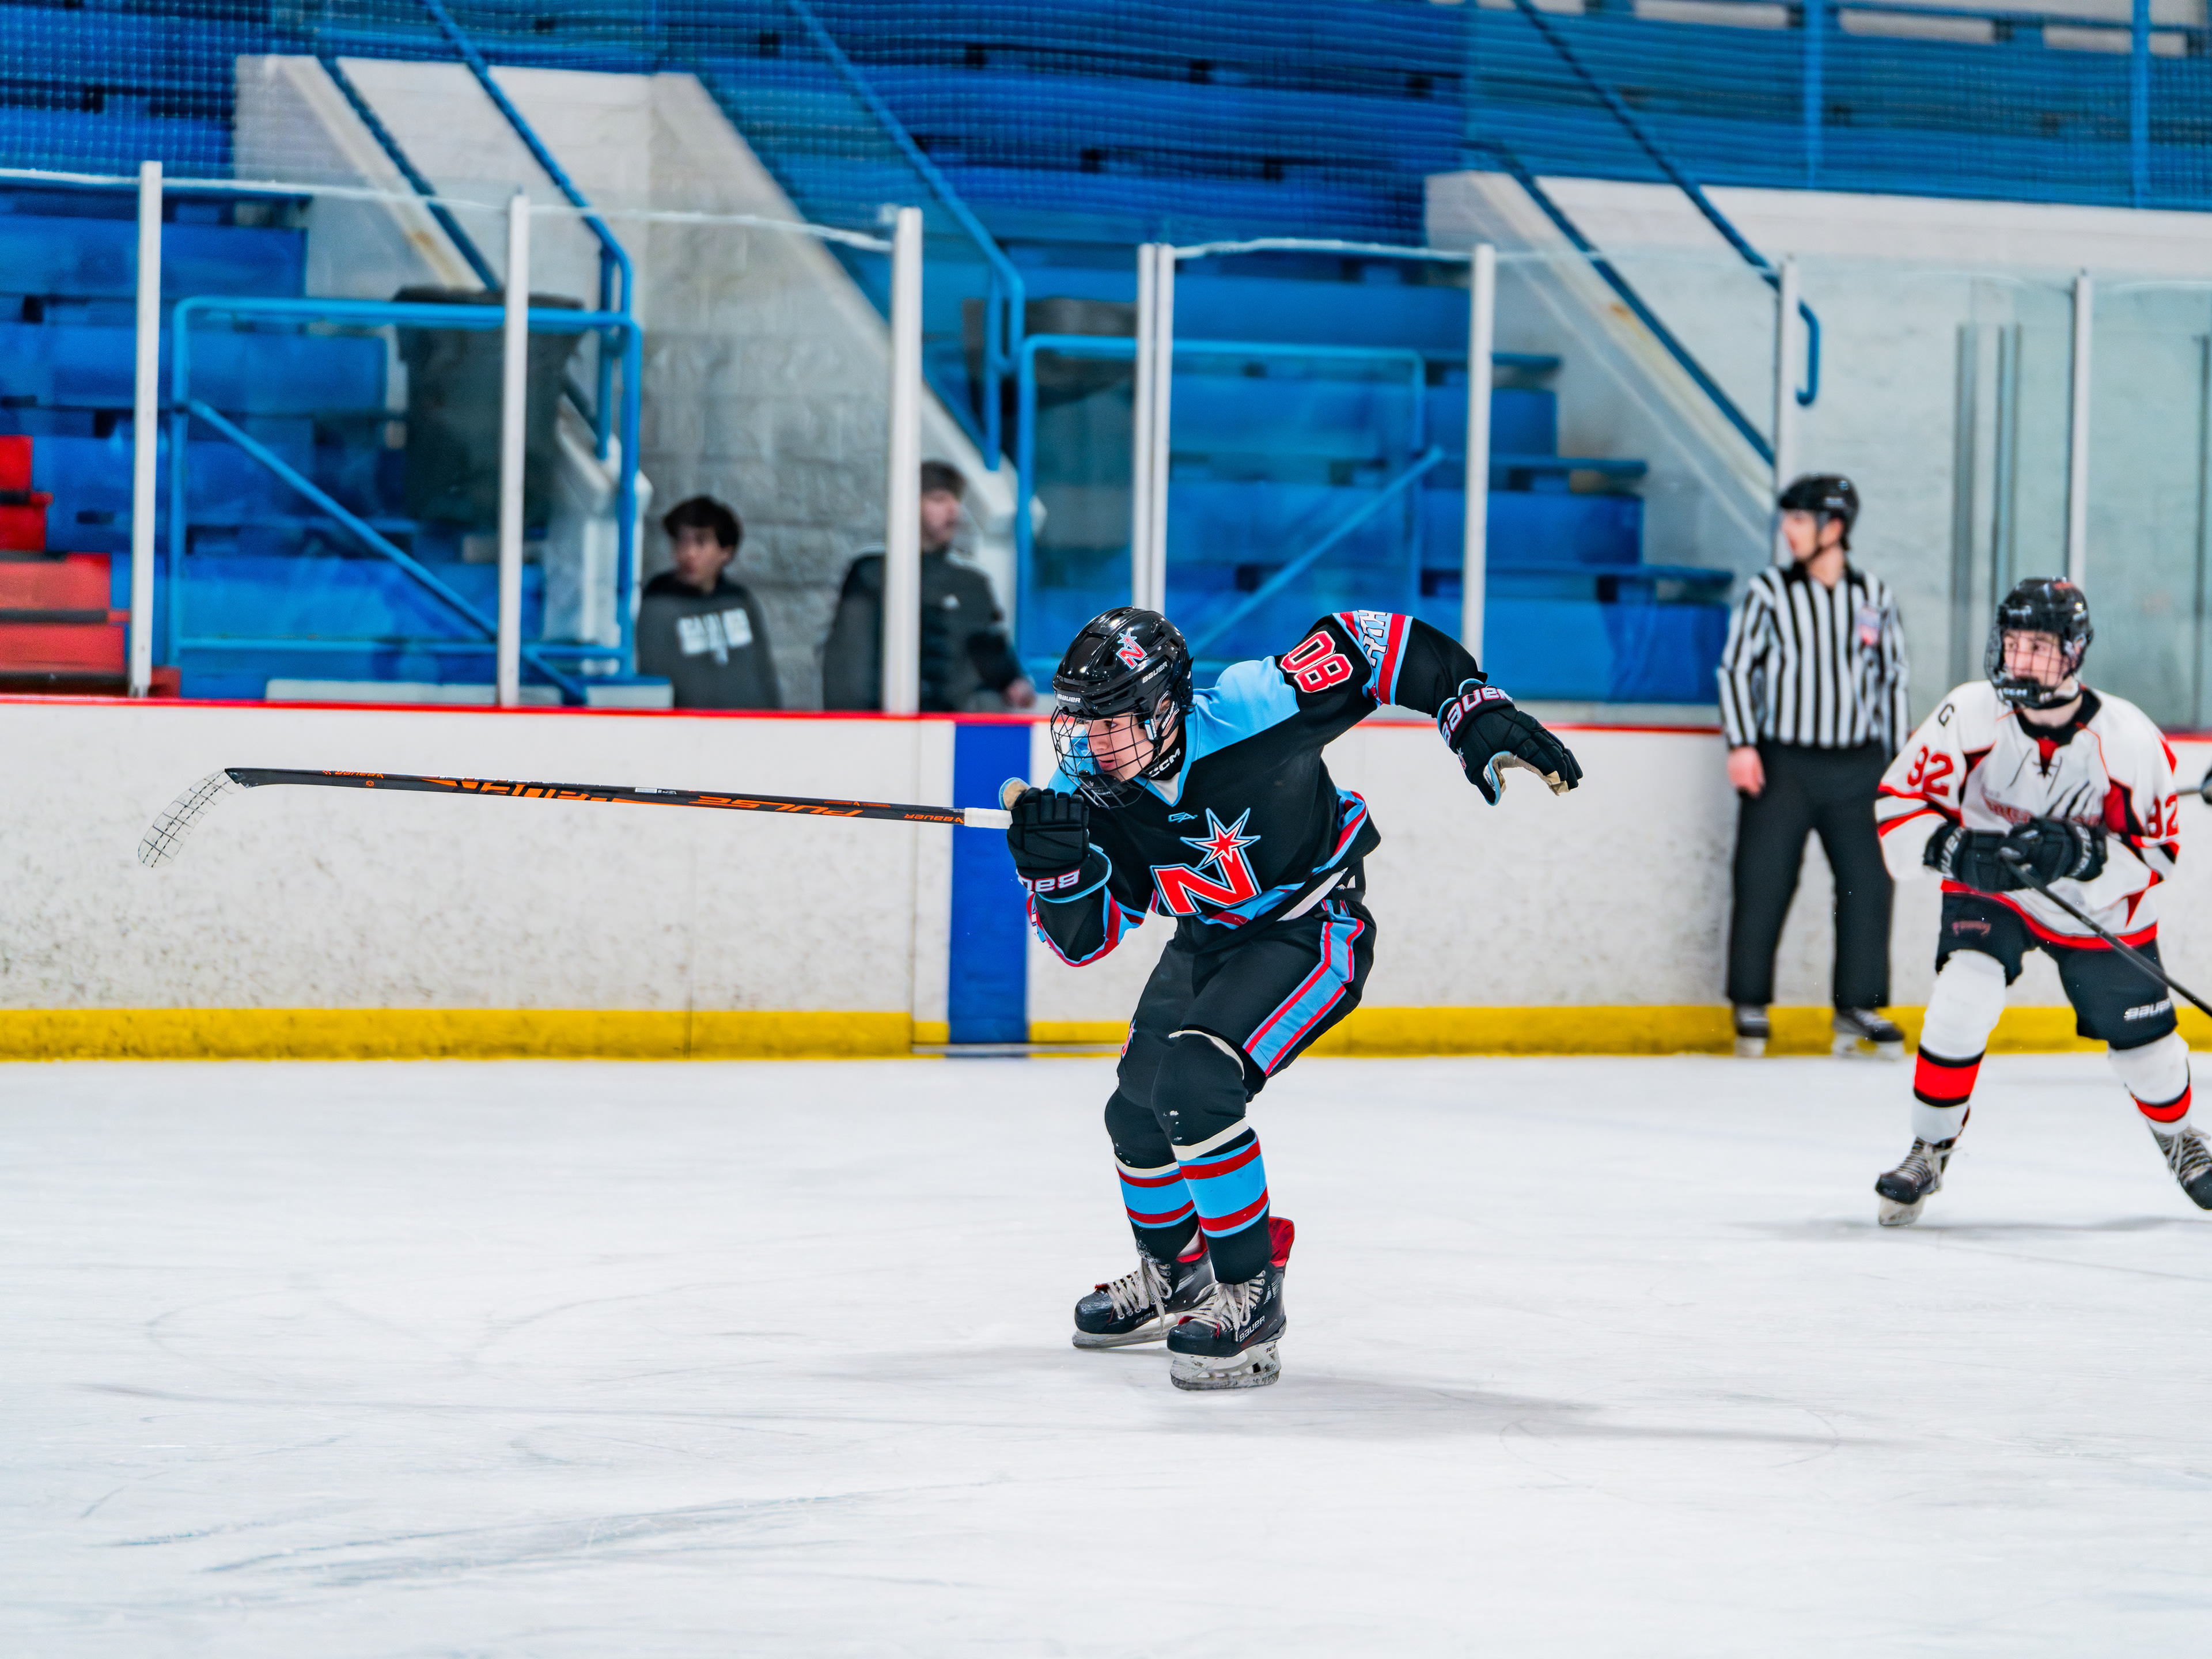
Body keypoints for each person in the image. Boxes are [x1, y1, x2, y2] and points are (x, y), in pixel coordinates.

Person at [1005, 607, 1582, 1389]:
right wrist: (1057, 873)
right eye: (1080, 722)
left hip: (1312, 926)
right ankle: (1178, 1276)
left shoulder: (1255, 707)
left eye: (1113, 722)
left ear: (1167, 707)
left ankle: (1252, 1293)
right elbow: (1085, 942)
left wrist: (1468, 705)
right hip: (1206, 942)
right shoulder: (1082, 792)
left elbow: (1372, 642)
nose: (1093, 744)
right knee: (1134, 1117)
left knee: (1195, 1085)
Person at [1869, 578, 2205, 1224]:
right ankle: (1929, 1148)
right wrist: (1951, 848)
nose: (2019, 659)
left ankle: (2181, 1137)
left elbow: (2159, 853)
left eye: (2039, 647)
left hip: (2097, 911)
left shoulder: (2129, 739)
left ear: (2074, 652)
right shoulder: (1968, 713)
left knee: (2147, 1050)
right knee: (1963, 995)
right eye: (2013, 643)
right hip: (1994, 892)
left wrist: (2087, 854)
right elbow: (1900, 802)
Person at [1716, 474, 1910, 1059]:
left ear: (1835, 527)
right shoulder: (1769, 591)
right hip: (1784, 763)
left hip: (1859, 765)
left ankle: (1858, 1005)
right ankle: (1750, 1002)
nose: (1788, 530)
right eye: (1788, 518)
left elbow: (1893, 681)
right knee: (1763, 878)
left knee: (1867, 883)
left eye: (1800, 519)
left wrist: (1897, 769)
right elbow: (1736, 669)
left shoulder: (1874, 596)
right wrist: (1742, 744)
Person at [820, 461, 1037, 712]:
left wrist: (1013, 683)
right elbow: (849, 668)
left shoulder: (972, 586)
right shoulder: (872, 575)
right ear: (910, 506)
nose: (953, 509)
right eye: (939, 499)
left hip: (950, 725)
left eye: (956, 499)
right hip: (883, 723)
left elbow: (990, 653)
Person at [635, 495, 779, 710]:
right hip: (685, 725)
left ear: (726, 552)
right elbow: (652, 679)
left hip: (745, 724)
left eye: (701, 542)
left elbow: (763, 674)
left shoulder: (739, 601)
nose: (689, 553)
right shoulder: (658, 601)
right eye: (681, 541)